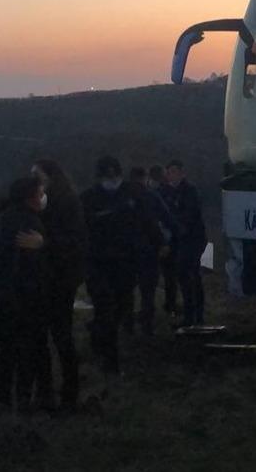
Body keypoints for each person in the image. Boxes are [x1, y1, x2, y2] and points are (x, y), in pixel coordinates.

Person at [81, 156, 148, 377]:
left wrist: (161, 242)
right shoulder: (88, 198)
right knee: (106, 310)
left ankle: (99, 337)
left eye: (113, 173)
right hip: (98, 263)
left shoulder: (133, 193)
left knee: (119, 310)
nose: (111, 178)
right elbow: (83, 227)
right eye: (106, 174)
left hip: (125, 264)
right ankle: (111, 363)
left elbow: (147, 219)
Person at [0, 177, 49, 411]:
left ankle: (2, 399)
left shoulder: (4, 218)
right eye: (40, 192)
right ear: (30, 196)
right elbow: (31, 264)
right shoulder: (28, 223)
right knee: (26, 350)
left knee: (7, 351)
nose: (43, 196)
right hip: (21, 296)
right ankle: (23, 399)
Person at [30, 159, 87, 410]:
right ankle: (50, 391)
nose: (34, 179)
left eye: (37, 175)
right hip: (49, 275)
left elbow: (71, 240)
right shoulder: (46, 201)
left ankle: (67, 391)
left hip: (60, 276)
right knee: (46, 335)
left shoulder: (64, 202)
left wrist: (44, 242)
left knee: (60, 335)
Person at [161, 160, 208, 327]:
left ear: (182, 173)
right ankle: (190, 313)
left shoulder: (190, 191)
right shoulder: (165, 191)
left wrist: (175, 224)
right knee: (183, 276)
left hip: (192, 238)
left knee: (192, 275)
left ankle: (197, 314)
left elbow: (189, 216)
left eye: (175, 172)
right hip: (178, 239)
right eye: (169, 172)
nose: (172, 175)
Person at [127, 167, 168, 336]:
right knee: (147, 292)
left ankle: (127, 325)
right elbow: (161, 219)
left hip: (125, 250)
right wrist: (164, 241)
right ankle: (147, 326)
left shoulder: (121, 196)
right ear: (145, 178)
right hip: (148, 249)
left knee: (126, 291)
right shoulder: (151, 196)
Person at [149, 165, 181, 323]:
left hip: (161, 239)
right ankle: (169, 305)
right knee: (168, 276)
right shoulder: (163, 193)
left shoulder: (155, 193)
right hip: (162, 239)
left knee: (164, 276)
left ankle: (165, 305)